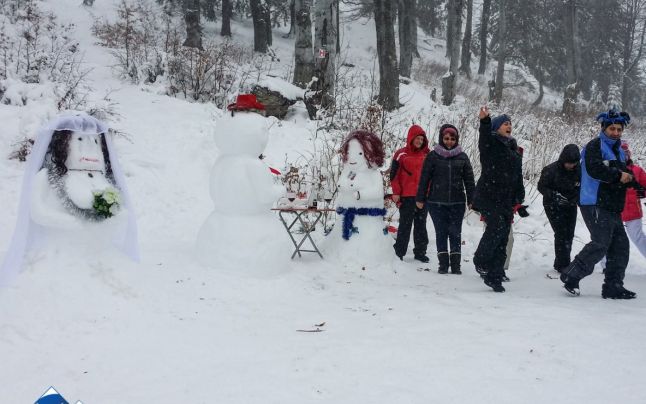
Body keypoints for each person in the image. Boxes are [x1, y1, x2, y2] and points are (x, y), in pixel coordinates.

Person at [560, 110, 636, 299]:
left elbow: (625, 174)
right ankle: (571, 275)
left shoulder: (619, 150)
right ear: (603, 128)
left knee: (620, 246)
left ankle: (613, 286)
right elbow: (595, 170)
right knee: (601, 243)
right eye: (612, 129)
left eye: (619, 129)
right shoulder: (595, 146)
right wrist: (619, 175)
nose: (616, 133)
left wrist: (633, 181)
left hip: (612, 205)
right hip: (594, 202)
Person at [472, 107, 525, 292]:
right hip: (489, 196)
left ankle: (495, 276)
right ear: (496, 127)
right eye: (505, 123)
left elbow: (517, 176)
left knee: (503, 237)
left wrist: (519, 199)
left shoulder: (514, 149)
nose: (509, 126)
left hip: (506, 199)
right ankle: (480, 260)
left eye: (510, 123)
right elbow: (484, 137)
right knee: (496, 228)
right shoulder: (491, 144)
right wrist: (485, 121)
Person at [416, 124, 475, 274]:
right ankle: (443, 264)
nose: (449, 142)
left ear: (456, 140)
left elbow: (469, 180)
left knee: (455, 232)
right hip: (436, 202)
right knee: (441, 232)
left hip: (457, 202)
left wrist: (472, 199)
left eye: (452, 139)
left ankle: (456, 266)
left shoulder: (462, 156)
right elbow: (424, 178)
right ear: (441, 138)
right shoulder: (433, 156)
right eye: (446, 138)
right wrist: (420, 198)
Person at [538, 144, 581, 275]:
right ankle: (563, 264)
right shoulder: (550, 170)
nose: (571, 166)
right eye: (568, 163)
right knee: (561, 233)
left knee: (569, 233)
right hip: (553, 205)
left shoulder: (579, 171)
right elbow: (541, 186)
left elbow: (581, 188)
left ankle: (563, 262)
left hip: (570, 205)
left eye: (573, 163)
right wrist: (554, 195)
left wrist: (575, 198)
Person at [390, 125, 430, 262]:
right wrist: (396, 192)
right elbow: (394, 175)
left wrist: (429, 192)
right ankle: (399, 252)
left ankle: (420, 252)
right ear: (411, 138)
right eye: (417, 138)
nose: (419, 141)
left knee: (421, 225)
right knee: (405, 225)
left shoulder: (427, 154)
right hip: (406, 196)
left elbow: (432, 175)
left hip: (422, 197)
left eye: (422, 139)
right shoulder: (401, 154)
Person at [619, 141, 646, 257]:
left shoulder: (637, 170)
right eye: (622, 152)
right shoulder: (609, 170)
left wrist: (643, 191)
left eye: (626, 152)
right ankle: (606, 264)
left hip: (633, 211)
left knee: (638, 238)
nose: (625, 155)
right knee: (607, 239)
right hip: (613, 211)